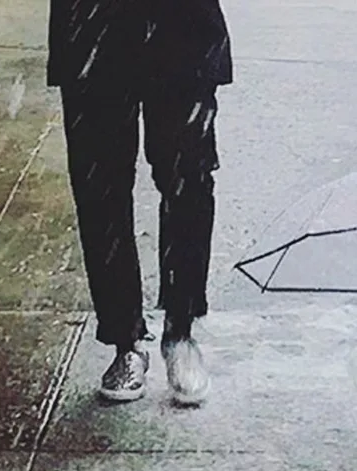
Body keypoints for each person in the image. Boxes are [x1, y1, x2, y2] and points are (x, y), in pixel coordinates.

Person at [46, 0, 232, 405]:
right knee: (100, 186)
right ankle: (125, 341)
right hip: (94, 25)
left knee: (189, 179)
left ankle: (181, 331)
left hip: (182, 26)